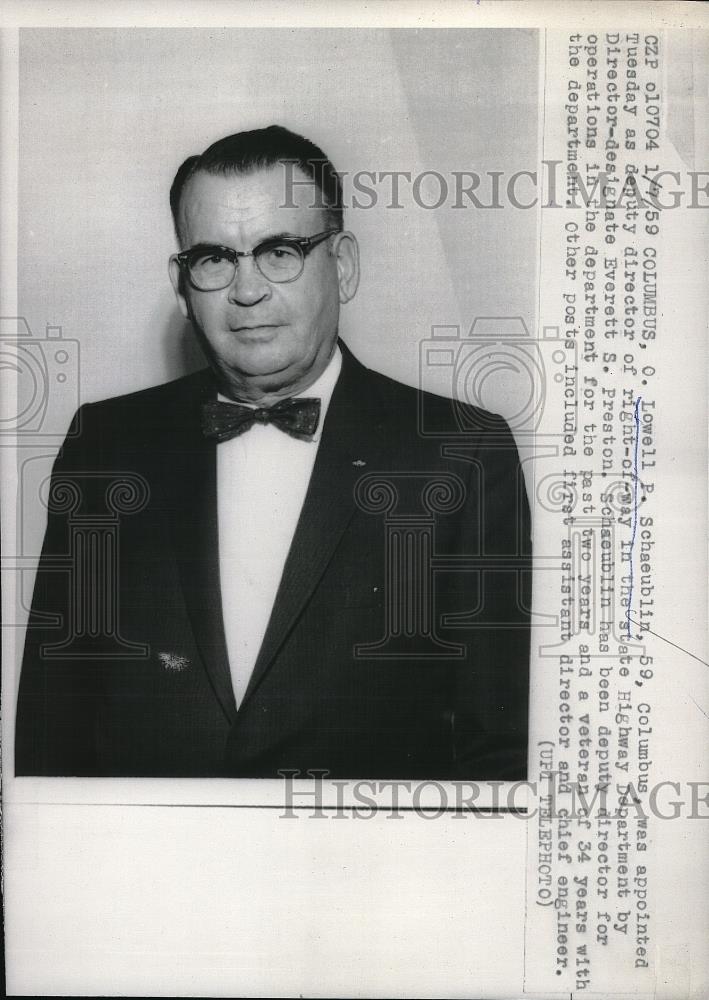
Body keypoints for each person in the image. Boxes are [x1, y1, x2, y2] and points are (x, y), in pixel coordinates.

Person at [15, 125, 531, 779]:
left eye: (279, 251)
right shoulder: (105, 447)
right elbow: (49, 731)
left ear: (342, 264)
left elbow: (495, 754)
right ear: (182, 284)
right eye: (214, 259)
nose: (247, 291)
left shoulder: (463, 454)